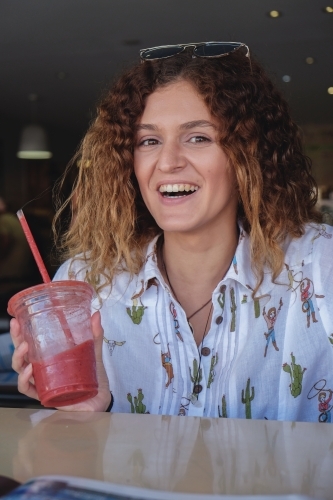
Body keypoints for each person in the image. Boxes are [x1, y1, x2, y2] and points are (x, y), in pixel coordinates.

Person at [10, 42, 333, 421]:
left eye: (198, 137)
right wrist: (84, 415)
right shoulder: (84, 284)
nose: (167, 162)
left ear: (248, 152)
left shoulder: (321, 266)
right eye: (148, 141)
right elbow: (74, 464)